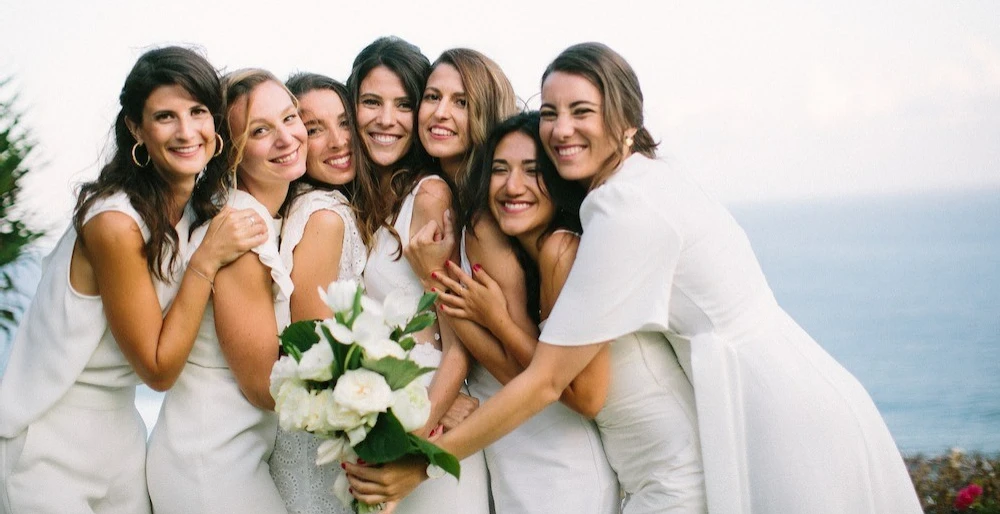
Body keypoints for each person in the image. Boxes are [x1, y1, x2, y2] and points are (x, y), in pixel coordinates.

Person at [345, 42, 924, 514]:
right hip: (723, 407)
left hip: (772, 408)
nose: (561, 129)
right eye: (550, 113)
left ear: (625, 119)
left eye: (582, 111)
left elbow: (553, 384)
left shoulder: (621, 209)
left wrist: (422, 461)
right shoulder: (627, 188)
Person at [0, 47, 266, 513]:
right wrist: (206, 262)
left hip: (123, 445)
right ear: (136, 129)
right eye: (165, 116)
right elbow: (158, 370)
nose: (187, 132)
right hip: (45, 449)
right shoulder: (114, 223)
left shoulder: (195, 212)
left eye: (198, 111)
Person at [410, 54, 621, 513]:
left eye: (461, 101)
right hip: (512, 443)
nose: (513, 185)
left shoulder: (518, 235)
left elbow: (525, 375)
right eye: (432, 97)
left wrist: (441, 282)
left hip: (547, 445)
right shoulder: (483, 216)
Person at [147, 69, 306, 514]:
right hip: (211, 465)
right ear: (228, 151)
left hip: (229, 455)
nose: (286, 138)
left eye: (290, 118)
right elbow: (263, 385)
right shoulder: (240, 230)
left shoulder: (256, 218)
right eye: (260, 131)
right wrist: (372, 394)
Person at [347, 37, 490, 514]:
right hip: (393, 411)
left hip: (431, 425)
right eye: (371, 102)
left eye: (403, 104)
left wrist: (418, 428)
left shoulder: (429, 195)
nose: (386, 119)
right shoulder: (369, 202)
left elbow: (458, 345)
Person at [268, 73, 367, 514]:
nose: (338, 141)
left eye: (344, 122)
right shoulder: (326, 217)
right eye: (314, 129)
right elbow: (313, 354)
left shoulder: (309, 204)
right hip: (319, 447)